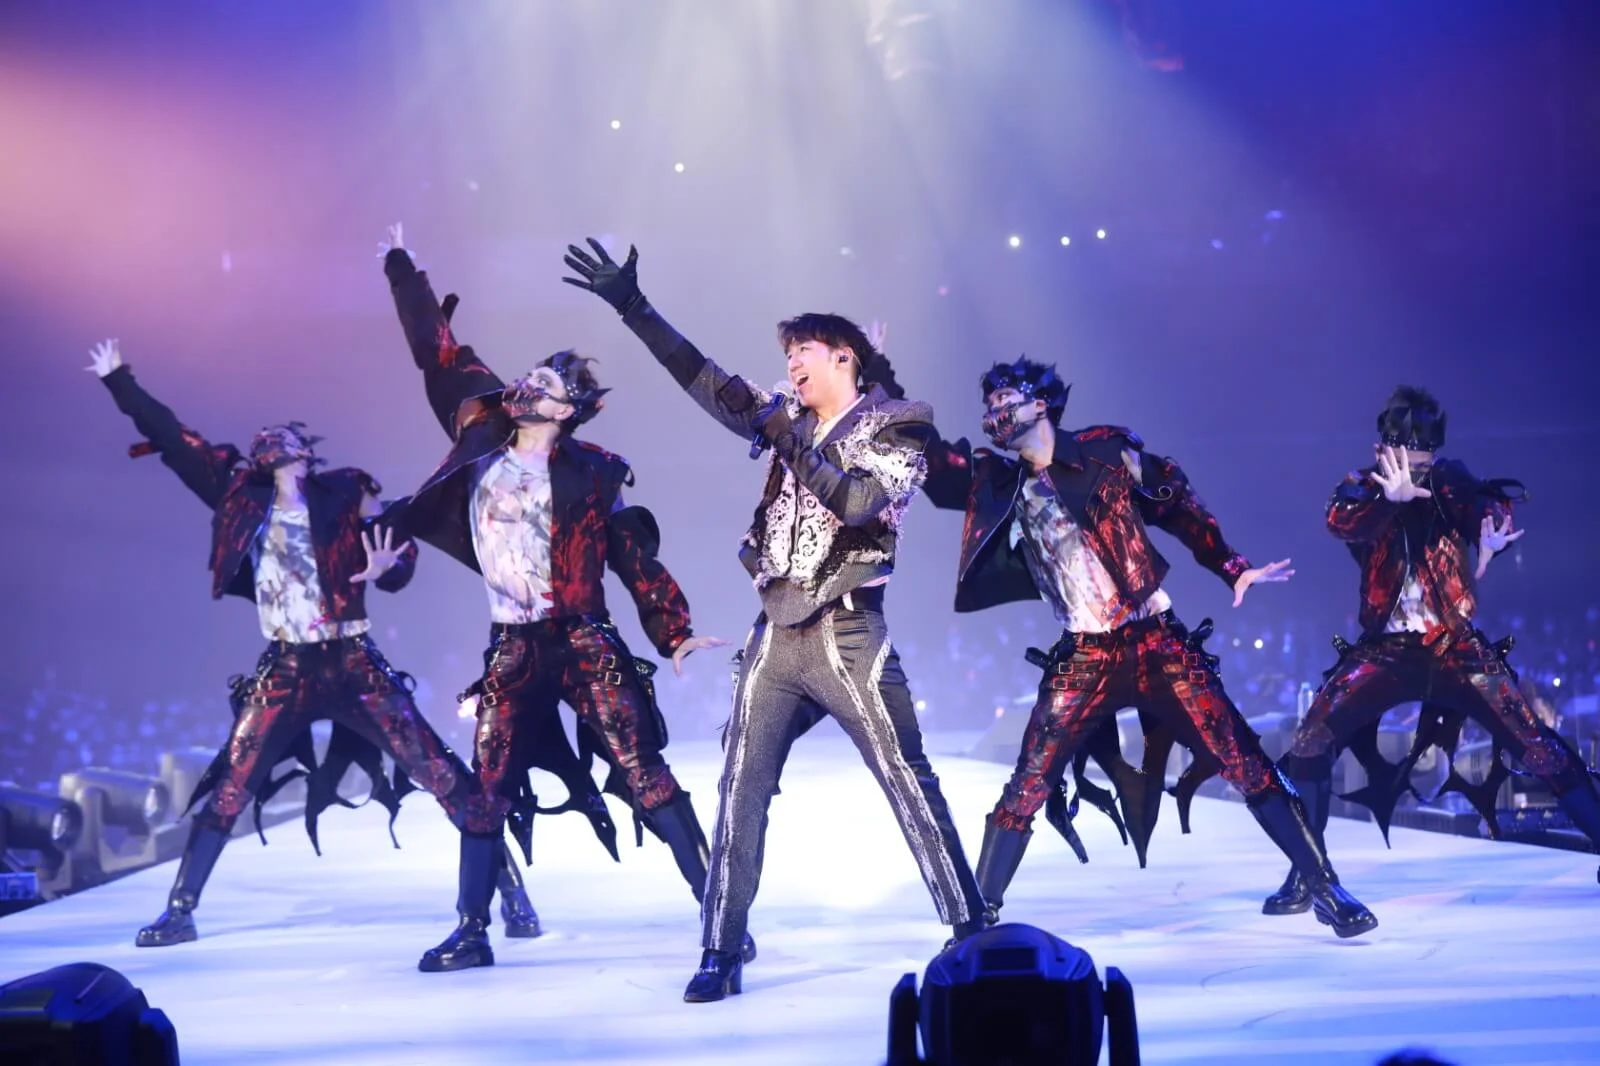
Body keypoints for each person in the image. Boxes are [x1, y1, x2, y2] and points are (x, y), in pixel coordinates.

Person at [562, 238, 987, 1003]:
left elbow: (859, 505)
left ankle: (970, 925)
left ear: (846, 356)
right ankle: (721, 948)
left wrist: (790, 437)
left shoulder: (900, 424)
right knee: (739, 785)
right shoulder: (784, 415)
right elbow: (704, 380)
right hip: (776, 631)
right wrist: (634, 307)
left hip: (849, 632)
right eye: (787, 354)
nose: (791, 365)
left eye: (805, 352)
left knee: (905, 776)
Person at [87, 338, 538, 948]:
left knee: (437, 769)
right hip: (287, 665)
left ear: (305, 454)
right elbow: (175, 438)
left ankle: (510, 893)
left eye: (286, 442)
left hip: (352, 661)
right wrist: (120, 381)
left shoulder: (345, 493)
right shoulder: (238, 496)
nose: (274, 445)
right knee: (232, 780)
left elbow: (397, 549)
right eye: (266, 443)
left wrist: (387, 570)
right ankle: (180, 908)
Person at [919, 354, 1378, 938]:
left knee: (1245, 760)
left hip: (1156, 640)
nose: (994, 413)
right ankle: (976, 921)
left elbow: (1177, 504)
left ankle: (1325, 887)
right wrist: (871, 380)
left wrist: (1230, 565)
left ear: (1039, 403)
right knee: (1027, 783)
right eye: (988, 406)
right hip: (1084, 654)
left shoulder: (1107, 452)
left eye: (1004, 399)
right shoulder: (997, 480)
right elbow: (932, 459)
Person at [380, 225, 737, 973]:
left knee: (645, 774)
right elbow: (439, 353)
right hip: (512, 645)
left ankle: (720, 915)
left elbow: (632, 556)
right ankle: (471, 931)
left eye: (543, 384)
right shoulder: (479, 434)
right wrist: (405, 272)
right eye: (527, 378)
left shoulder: (595, 473)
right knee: (487, 785)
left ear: (568, 410)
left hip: (584, 641)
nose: (525, 386)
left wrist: (672, 630)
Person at [1263, 386, 1600, 915]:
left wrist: (1492, 532)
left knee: (1534, 741)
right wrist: (1389, 499)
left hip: (1453, 646)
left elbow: (1481, 502)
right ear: (1382, 448)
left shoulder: (1446, 479)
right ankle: (1308, 874)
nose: (1415, 470)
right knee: (1310, 740)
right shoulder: (1362, 486)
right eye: (1406, 458)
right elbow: (1340, 522)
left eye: (1423, 460)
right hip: (1386, 649)